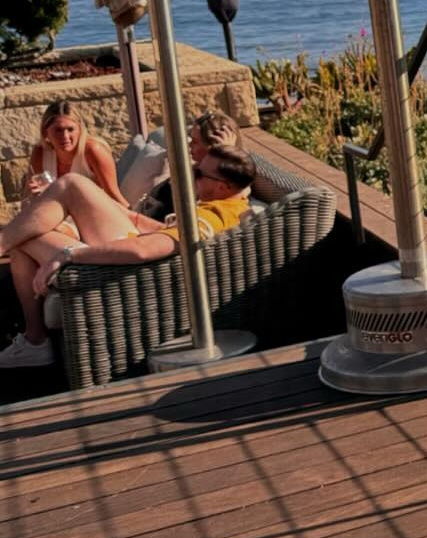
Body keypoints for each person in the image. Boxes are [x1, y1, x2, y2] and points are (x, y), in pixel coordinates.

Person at [0, 144, 256, 369]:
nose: (193, 174)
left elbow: (143, 250)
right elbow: (170, 235)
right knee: (56, 201)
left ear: (223, 186)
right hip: (128, 251)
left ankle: (35, 340)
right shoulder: (228, 203)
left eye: (200, 172)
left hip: (123, 270)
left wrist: (69, 254)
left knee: (37, 225)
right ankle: (35, 340)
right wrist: (126, 214)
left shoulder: (213, 216)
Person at [138, 108, 242, 221]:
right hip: (140, 220)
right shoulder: (194, 169)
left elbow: (204, 208)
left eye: (195, 141)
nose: (190, 144)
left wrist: (226, 155)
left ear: (211, 147)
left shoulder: (214, 183)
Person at [22, 99, 127, 210]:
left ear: (80, 130)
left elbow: (113, 195)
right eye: (58, 130)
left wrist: (135, 220)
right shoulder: (41, 152)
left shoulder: (93, 150)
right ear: (45, 132)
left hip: (92, 214)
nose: (65, 136)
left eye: (70, 129)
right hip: (56, 215)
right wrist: (33, 195)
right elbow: (27, 201)